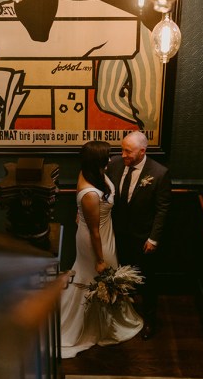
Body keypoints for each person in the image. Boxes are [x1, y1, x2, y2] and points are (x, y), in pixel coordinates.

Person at [60, 141, 143, 359]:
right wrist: (99, 258)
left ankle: (105, 320)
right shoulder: (90, 193)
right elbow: (94, 231)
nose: (110, 159)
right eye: (107, 156)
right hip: (95, 241)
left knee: (102, 277)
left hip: (104, 232)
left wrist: (81, 214)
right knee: (97, 277)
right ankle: (91, 327)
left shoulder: (91, 171)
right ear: (98, 161)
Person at [107, 131, 172, 340]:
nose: (123, 154)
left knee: (147, 280)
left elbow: (163, 210)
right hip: (118, 233)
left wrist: (153, 239)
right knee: (120, 275)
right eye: (122, 149)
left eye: (128, 151)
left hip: (143, 237)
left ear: (142, 151)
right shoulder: (115, 164)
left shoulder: (159, 173)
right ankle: (124, 314)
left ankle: (150, 320)